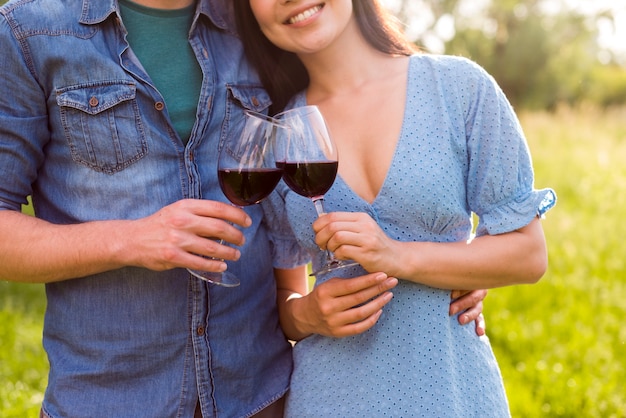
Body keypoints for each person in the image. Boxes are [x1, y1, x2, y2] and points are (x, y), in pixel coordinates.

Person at [0, 0, 488, 416]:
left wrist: (449, 258)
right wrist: (132, 239)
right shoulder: (30, 31)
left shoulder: (257, 21)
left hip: (260, 396)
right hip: (108, 399)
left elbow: (352, 97)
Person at [235, 0, 557, 416]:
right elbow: (285, 296)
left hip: (451, 392)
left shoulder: (459, 88)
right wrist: (308, 314)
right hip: (330, 398)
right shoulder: (277, 133)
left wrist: (398, 255)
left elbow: (529, 255)